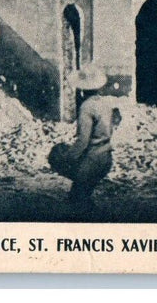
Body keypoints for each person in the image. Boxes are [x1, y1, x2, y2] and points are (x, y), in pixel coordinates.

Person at [63, 68, 116, 208]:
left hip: (92, 160)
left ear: (81, 89)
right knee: (83, 197)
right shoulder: (105, 104)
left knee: (77, 201)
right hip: (106, 157)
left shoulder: (86, 107)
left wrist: (68, 157)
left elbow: (83, 141)